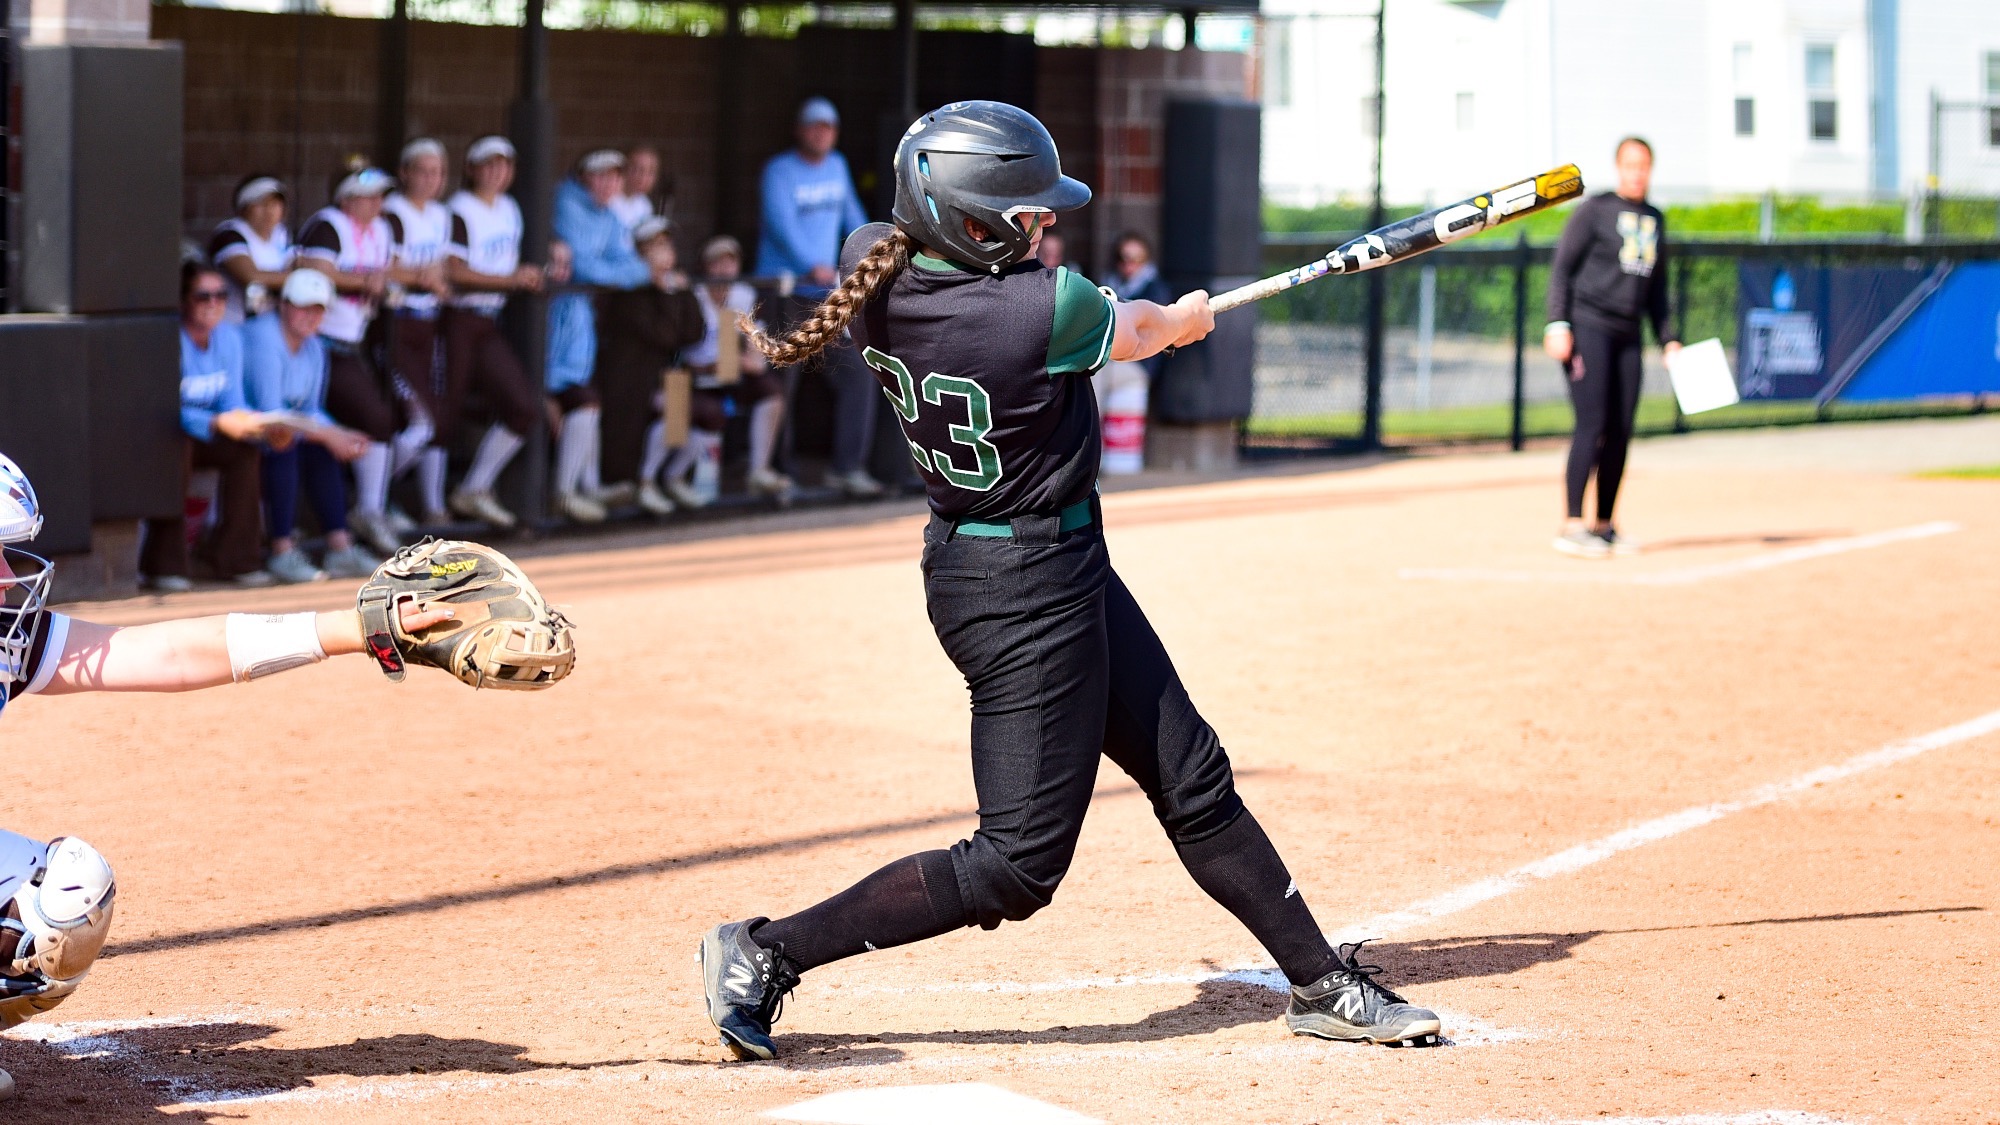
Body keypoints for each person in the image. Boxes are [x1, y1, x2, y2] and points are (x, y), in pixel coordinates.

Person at [698, 101, 1443, 1062]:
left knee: (1190, 772)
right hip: (1018, 592)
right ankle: (764, 951)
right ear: (971, 226)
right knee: (1014, 865)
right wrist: (1184, 321)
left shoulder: (873, 262)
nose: (1045, 225)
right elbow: (1135, 328)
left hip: (1035, 561)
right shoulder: (1031, 310)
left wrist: (1160, 322)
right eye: (1026, 214)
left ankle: (1321, 979)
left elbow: (1013, 281)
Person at [0, 449, 454, 1102]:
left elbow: (166, 652)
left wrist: (355, 629)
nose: (11, 577)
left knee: (66, 895)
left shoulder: (5, 638)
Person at [1544, 135, 1679, 558]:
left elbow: (1658, 290)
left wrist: (1669, 338)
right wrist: (1557, 323)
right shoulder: (1594, 212)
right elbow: (1562, 269)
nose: (1637, 173)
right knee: (1593, 423)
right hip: (1589, 327)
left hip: (1628, 334)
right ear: (1619, 167)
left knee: (1620, 429)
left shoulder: (1655, 219)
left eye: (1644, 166)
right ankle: (1570, 524)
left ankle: (1603, 524)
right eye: (1630, 165)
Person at [755, 97, 883, 500]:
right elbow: (780, 225)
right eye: (814, 125)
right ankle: (779, 472)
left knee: (859, 374)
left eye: (828, 126)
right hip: (787, 291)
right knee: (782, 385)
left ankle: (846, 469)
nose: (821, 132)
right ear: (799, 129)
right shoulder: (779, 170)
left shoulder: (838, 166)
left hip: (829, 294)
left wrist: (871, 253)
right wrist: (812, 263)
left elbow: (854, 219)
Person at [139, 263, 270, 590]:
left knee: (245, 450)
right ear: (184, 301)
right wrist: (215, 421)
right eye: (203, 296)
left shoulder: (229, 338)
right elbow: (161, 408)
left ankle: (233, 559)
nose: (214, 304)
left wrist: (252, 423)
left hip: (209, 432)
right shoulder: (170, 339)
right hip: (167, 434)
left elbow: (232, 399)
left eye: (221, 296)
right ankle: (164, 565)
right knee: (177, 447)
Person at [297, 163, 403, 555]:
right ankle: (367, 510)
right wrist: (366, 281)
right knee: (371, 419)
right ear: (345, 198)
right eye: (365, 196)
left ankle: (367, 509)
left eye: (379, 196)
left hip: (352, 340)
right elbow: (319, 272)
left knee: (373, 421)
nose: (375, 203)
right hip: (320, 342)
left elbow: (390, 268)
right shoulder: (327, 224)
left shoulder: (382, 229)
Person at [242, 270, 377, 580]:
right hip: (246, 429)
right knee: (285, 441)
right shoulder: (264, 338)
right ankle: (281, 551)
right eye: (303, 306)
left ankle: (340, 548)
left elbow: (311, 410)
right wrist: (328, 435)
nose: (310, 316)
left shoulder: (315, 347)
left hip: (283, 429)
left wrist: (340, 433)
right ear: (284, 305)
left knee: (322, 449)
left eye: (318, 309)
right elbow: (271, 413)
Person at [441, 135, 546, 530]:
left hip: (489, 320)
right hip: (457, 318)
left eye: (504, 164)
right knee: (441, 417)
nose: (496, 171)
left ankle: (475, 487)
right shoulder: (460, 208)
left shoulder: (510, 208)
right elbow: (455, 270)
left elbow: (512, 265)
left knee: (523, 408)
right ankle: (421, 509)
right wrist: (511, 280)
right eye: (488, 163)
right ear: (471, 168)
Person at [643, 235, 787, 511]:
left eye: (729, 262)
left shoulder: (744, 294)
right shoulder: (692, 294)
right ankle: (648, 481)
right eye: (717, 263)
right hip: (686, 376)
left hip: (727, 374)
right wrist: (709, 366)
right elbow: (678, 348)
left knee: (770, 388)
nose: (723, 270)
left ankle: (758, 470)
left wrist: (753, 359)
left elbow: (755, 337)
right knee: (699, 410)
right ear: (705, 267)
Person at [550, 150, 651, 522]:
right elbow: (586, 267)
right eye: (601, 176)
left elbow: (622, 263)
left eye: (615, 177)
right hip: (552, 321)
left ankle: (586, 486)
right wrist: (629, 273)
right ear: (584, 177)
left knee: (587, 398)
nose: (609, 184)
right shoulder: (566, 202)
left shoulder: (608, 215)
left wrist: (624, 272)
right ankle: (563, 492)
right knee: (577, 399)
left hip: (580, 321)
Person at [593, 217, 706, 513]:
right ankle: (642, 483)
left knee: (686, 402)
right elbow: (665, 336)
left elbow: (696, 331)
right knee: (670, 403)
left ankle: (669, 478)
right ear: (641, 251)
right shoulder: (631, 291)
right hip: (629, 383)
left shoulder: (674, 287)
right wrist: (668, 293)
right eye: (655, 246)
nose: (663, 252)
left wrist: (679, 291)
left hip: (662, 378)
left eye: (666, 244)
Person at [381, 138, 457, 526]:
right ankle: (374, 500)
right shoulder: (392, 212)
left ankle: (432, 506)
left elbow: (442, 266)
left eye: (437, 172)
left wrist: (435, 279)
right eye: (422, 171)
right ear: (405, 173)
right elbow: (385, 268)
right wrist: (422, 278)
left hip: (430, 324)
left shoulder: (441, 215)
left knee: (436, 418)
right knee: (418, 420)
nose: (430, 179)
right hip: (398, 322)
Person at [206, 174, 294, 323]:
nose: (269, 210)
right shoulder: (229, 233)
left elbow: (298, 262)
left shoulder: (282, 234)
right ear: (243, 208)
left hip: (269, 322)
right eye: (261, 204)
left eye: (275, 204)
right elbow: (251, 277)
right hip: (233, 323)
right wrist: (298, 277)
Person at [611, 145, 661, 233]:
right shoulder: (609, 199)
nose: (643, 177)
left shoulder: (644, 204)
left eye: (651, 171)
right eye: (637, 169)